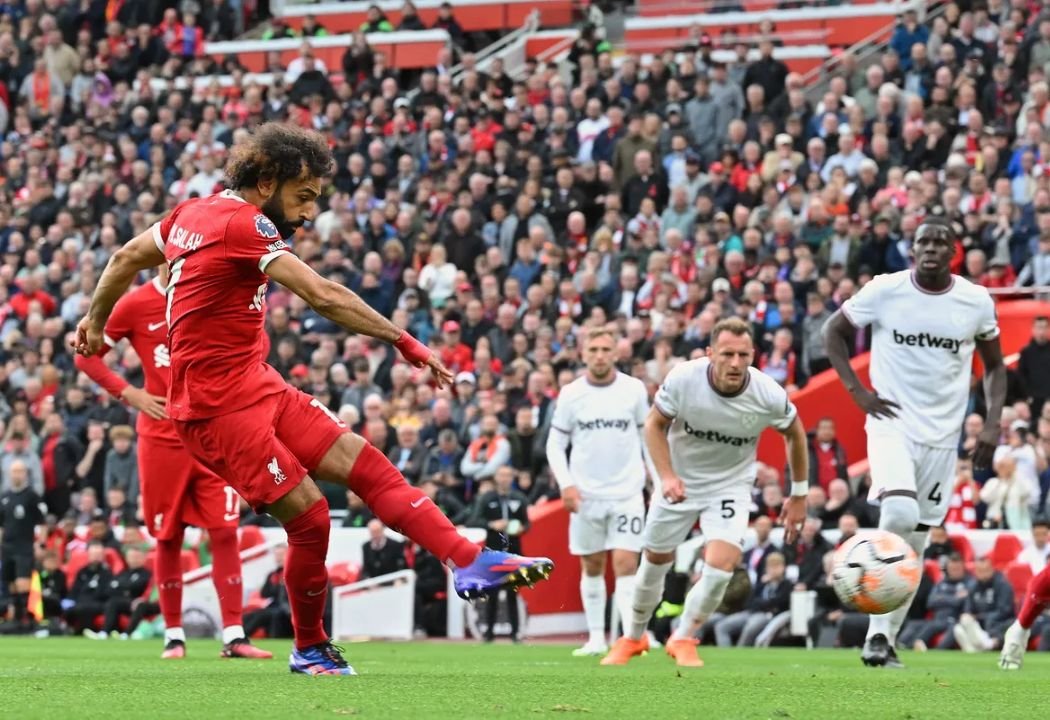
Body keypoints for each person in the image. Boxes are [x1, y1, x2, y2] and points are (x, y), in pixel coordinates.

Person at [74, 123, 552, 676]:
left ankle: (469, 561)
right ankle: (309, 648)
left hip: (257, 384)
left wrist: (93, 319)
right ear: (267, 180)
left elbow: (123, 258)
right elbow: (323, 294)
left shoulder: (188, 215)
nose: (307, 214)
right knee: (311, 517)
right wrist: (405, 341)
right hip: (215, 410)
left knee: (367, 466)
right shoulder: (244, 224)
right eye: (303, 197)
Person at [823, 216, 1006, 669]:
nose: (930, 248)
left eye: (939, 242)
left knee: (919, 541)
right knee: (899, 512)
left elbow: (996, 367)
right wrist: (857, 393)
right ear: (913, 248)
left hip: (942, 439)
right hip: (891, 423)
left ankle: (880, 641)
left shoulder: (975, 301)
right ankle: (867, 585)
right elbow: (834, 332)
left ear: (953, 252)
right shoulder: (885, 290)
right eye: (922, 240)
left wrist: (991, 423)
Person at [75, 267, 271, 660]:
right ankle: (173, 635)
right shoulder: (135, 303)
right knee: (167, 535)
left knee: (225, 529)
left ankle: (234, 634)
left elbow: (258, 340)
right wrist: (130, 394)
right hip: (163, 438)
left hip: (215, 431)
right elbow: (86, 357)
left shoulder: (213, 292)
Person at [602, 317, 808, 667]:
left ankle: (683, 637)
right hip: (679, 481)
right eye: (727, 353)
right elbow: (653, 425)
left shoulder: (768, 393)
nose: (735, 363)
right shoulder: (684, 379)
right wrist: (666, 476)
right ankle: (633, 637)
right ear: (710, 352)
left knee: (721, 567)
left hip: (730, 485)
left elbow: (795, 434)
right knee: (654, 565)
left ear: (754, 355)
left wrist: (799, 494)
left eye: (744, 355)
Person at [545, 327, 648, 656]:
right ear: (583, 354)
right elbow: (555, 444)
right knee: (591, 565)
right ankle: (596, 638)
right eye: (594, 349)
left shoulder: (633, 390)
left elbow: (649, 438)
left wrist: (659, 483)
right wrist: (566, 484)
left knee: (625, 563)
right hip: (586, 495)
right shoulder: (572, 394)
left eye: (606, 349)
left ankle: (631, 638)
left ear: (616, 353)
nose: (600, 355)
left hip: (627, 492)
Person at [472, 466, 531, 643]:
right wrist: (492, 524)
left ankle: (515, 633)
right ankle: (488, 633)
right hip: (492, 553)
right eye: (501, 475)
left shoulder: (519, 498)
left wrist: (522, 528)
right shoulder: (486, 498)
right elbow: (475, 519)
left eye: (507, 475)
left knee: (513, 593)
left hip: (513, 553)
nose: (504, 479)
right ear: (496, 478)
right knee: (492, 593)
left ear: (512, 478)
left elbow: (527, 522)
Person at [0, 461, 45, 633]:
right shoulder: (5, 497)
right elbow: (1, 525)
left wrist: (40, 544)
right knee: (10, 584)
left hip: (24, 546)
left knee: (22, 583)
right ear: (9, 474)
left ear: (25, 474)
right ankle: (16, 620)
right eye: (14, 471)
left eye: (20, 471)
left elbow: (42, 523)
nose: (16, 474)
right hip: (8, 547)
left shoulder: (32, 496)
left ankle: (26, 620)